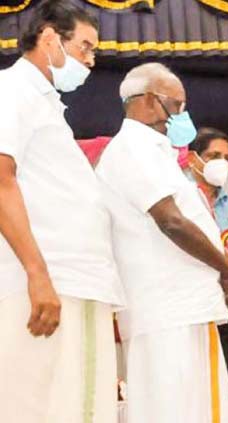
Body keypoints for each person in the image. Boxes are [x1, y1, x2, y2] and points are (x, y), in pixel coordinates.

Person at [96, 63, 228, 423]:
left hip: (184, 309)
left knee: (197, 410)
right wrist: (227, 266)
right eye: (177, 105)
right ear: (149, 100)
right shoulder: (132, 148)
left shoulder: (156, 152)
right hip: (167, 312)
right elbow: (171, 222)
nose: (183, 116)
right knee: (174, 411)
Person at [0, 2, 125, 422]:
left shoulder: (46, 104)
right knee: (41, 408)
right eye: (85, 47)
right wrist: (38, 275)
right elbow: (1, 180)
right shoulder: (11, 90)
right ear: (50, 38)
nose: (91, 61)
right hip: (48, 281)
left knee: (74, 407)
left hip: (72, 282)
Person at [187, 127, 228, 422]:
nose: (221, 163)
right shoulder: (181, 198)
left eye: (227, 157)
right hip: (194, 307)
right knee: (196, 390)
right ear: (193, 159)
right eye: (213, 156)